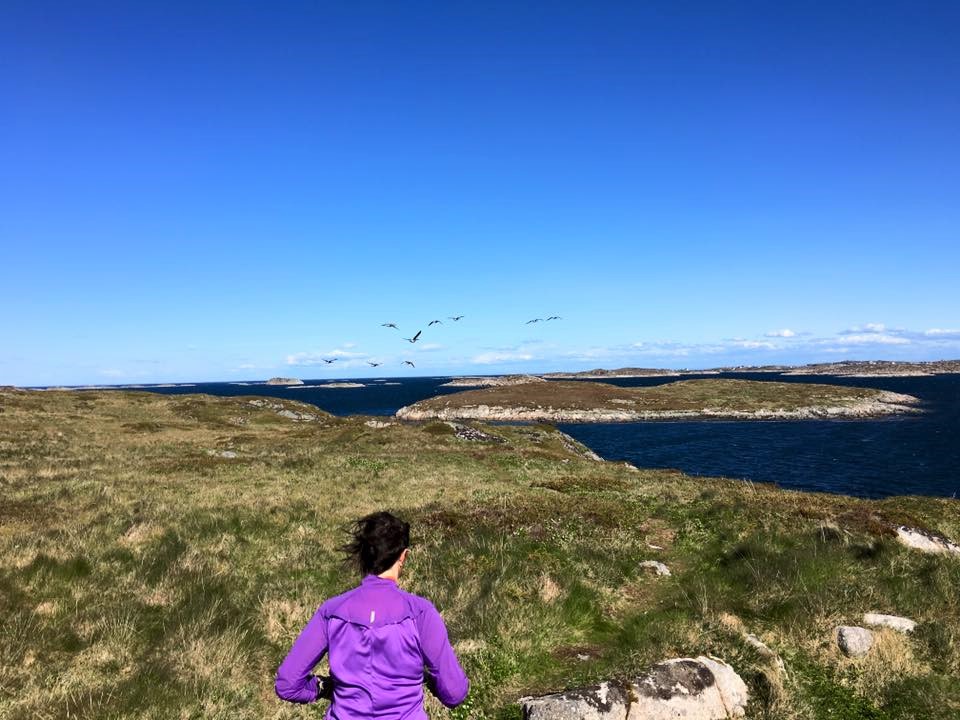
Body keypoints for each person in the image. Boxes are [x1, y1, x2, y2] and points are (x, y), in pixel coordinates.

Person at [275, 511, 469, 717]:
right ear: (403, 555)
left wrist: (325, 687)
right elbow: (454, 693)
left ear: (364, 556)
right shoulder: (421, 613)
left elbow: (288, 684)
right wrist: (429, 680)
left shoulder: (331, 612)